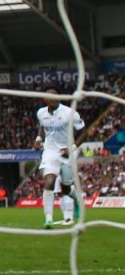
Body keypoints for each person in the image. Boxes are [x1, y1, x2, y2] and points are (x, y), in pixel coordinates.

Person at [33, 87, 84, 228]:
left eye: (54, 97)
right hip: (50, 151)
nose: (52, 100)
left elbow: (83, 131)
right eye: (49, 98)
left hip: (68, 151)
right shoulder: (41, 113)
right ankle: (48, 219)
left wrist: (71, 147)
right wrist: (38, 138)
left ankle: (77, 199)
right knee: (49, 182)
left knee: (65, 188)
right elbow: (43, 126)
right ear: (45, 99)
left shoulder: (69, 113)